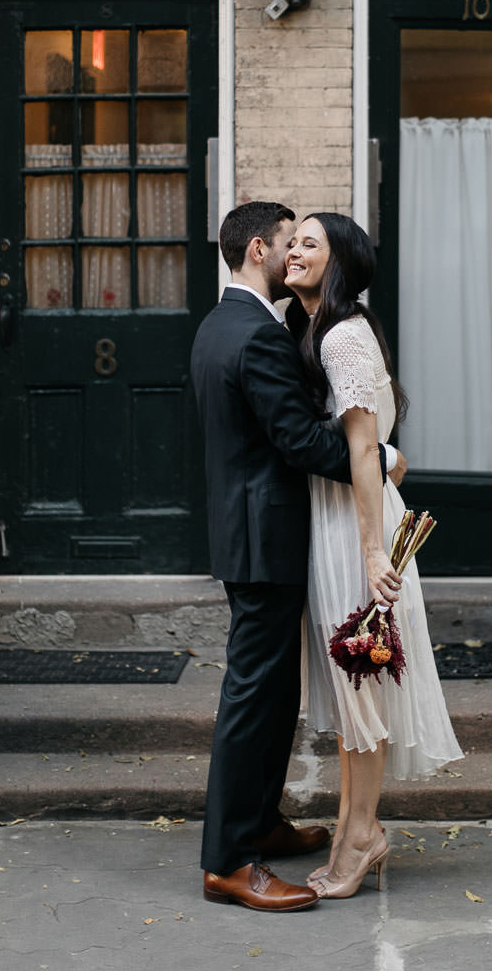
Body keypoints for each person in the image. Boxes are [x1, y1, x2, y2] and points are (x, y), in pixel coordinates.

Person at [189, 201, 406, 913]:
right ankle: (228, 860)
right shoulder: (257, 335)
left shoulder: (222, 325)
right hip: (266, 538)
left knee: (275, 692)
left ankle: (261, 825)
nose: (293, 255)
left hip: (252, 533)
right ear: (260, 249)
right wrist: (383, 457)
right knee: (253, 698)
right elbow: (300, 441)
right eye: (288, 242)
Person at [281, 212, 463, 899]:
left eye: (309, 243)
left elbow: (363, 447)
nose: (294, 250)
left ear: (340, 266)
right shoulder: (322, 330)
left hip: (352, 526)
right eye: (292, 240)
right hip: (339, 516)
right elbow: (379, 450)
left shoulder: (342, 337)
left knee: (362, 684)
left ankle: (362, 834)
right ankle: (350, 827)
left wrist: (367, 552)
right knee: (354, 682)